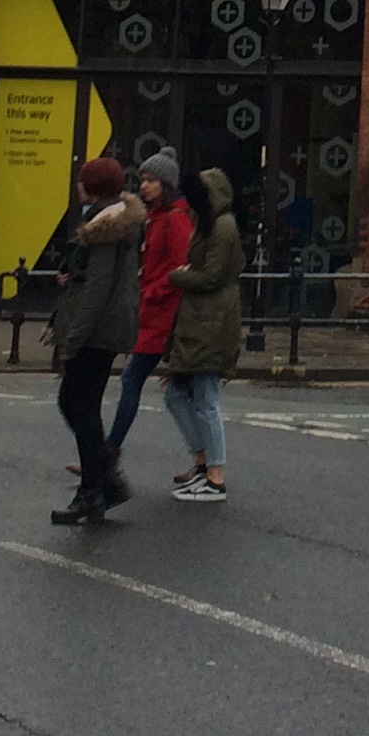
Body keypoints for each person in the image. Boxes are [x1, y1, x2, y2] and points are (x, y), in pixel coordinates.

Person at [49, 155, 144, 526]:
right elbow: (94, 278)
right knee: (75, 403)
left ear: (94, 187)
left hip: (96, 331)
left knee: (79, 405)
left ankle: (95, 489)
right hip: (104, 328)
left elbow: (98, 290)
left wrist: (72, 341)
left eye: (82, 180)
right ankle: (104, 482)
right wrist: (73, 275)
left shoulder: (107, 228)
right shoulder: (109, 222)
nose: (78, 186)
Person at [101, 151, 193, 483]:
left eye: (151, 180)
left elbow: (180, 269)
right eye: (142, 179)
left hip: (164, 317)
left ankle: (108, 454)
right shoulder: (155, 218)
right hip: (153, 313)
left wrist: (150, 292)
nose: (144, 186)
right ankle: (205, 460)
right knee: (183, 393)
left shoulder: (174, 220)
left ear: (166, 184)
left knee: (134, 380)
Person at [161, 167, 243, 503]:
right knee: (176, 393)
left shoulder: (223, 226)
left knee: (206, 399)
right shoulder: (210, 223)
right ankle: (203, 462)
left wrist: (178, 276)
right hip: (201, 320)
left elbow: (212, 276)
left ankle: (215, 476)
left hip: (213, 321)